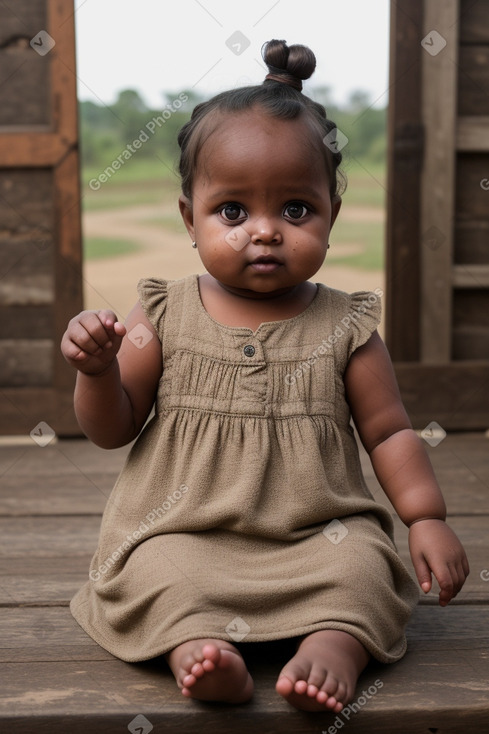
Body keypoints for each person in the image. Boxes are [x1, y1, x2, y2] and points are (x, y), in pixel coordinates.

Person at [61, 39, 469, 713]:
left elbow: (390, 433)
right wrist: (98, 374)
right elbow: (111, 429)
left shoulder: (346, 326)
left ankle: (331, 647)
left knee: (363, 569)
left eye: (295, 210)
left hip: (317, 536)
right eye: (232, 212)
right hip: (185, 532)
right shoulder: (162, 311)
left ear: (330, 216)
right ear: (189, 218)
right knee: (157, 571)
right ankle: (197, 649)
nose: (264, 232)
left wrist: (424, 517)